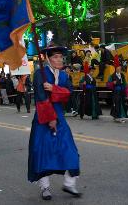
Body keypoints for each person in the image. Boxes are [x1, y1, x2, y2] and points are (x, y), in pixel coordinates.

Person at [28, 46, 81, 200]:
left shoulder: (64, 75)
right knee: (43, 152)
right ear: (48, 59)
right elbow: (40, 97)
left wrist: (54, 88)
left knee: (69, 149)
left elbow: (68, 94)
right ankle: (45, 187)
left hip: (60, 116)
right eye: (56, 57)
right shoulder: (40, 74)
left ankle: (69, 184)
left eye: (60, 57)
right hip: (43, 117)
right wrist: (50, 118)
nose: (59, 60)